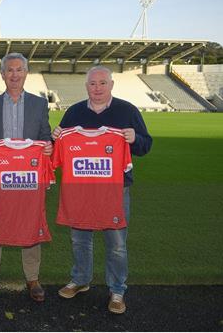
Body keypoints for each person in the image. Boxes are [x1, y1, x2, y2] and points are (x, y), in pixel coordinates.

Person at [51, 65, 152, 314]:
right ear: (86, 86)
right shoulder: (74, 113)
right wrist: (56, 138)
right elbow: (58, 149)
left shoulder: (127, 111)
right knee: (79, 240)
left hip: (115, 189)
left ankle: (117, 289)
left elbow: (145, 145)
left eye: (102, 83)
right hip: (80, 189)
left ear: (111, 85)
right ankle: (80, 279)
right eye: (93, 84)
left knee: (116, 243)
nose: (97, 88)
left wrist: (133, 139)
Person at [0, 52, 53, 302]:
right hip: (0, 176)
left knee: (30, 219)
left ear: (26, 73)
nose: (14, 74)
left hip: (29, 175)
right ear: (2, 74)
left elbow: (45, 135)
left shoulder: (39, 104)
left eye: (19, 69)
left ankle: (32, 277)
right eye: (9, 70)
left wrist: (49, 145)